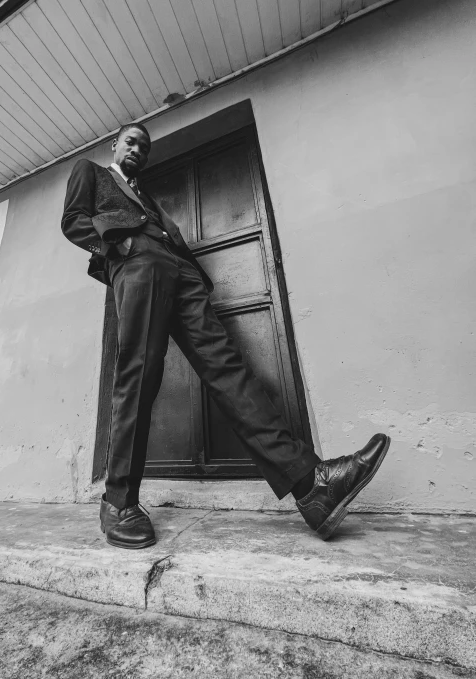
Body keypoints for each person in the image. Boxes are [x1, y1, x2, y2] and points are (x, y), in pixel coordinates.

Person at [61, 123, 390, 549]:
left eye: (144, 146)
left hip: (182, 275)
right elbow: (73, 222)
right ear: (114, 145)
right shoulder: (89, 171)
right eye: (130, 141)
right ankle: (118, 501)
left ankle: (312, 487)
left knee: (227, 369)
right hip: (138, 266)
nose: (137, 149)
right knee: (139, 376)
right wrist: (117, 250)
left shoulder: (146, 197)